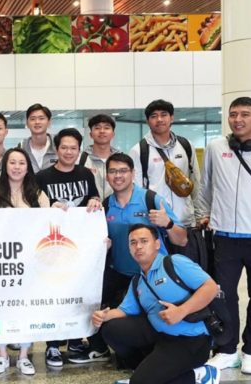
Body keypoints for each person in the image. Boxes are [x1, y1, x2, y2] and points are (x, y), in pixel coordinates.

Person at [79, 153, 188, 365]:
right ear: (107, 176)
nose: (118, 176)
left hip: (153, 277)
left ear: (133, 173)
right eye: (112, 171)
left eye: (123, 171)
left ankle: (158, 355)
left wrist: (167, 223)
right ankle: (120, 355)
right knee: (107, 321)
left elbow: (182, 239)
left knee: (158, 322)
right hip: (120, 276)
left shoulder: (151, 200)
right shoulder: (105, 205)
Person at [93, 224, 221, 384]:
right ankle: (143, 370)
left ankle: (199, 376)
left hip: (190, 340)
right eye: (133, 243)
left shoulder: (175, 263)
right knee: (111, 329)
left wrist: (181, 311)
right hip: (161, 335)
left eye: (144, 241)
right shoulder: (138, 280)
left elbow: (211, 287)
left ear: (157, 244)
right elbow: (124, 310)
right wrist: (104, 316)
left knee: (139, 383)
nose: (138, 246)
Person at [199, 96, 251, 375]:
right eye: (233, 114)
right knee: (223, 296)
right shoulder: (216, 147)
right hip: (224, 236)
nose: (238, 119)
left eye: (245, 114)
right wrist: (203, 214)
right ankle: (226, 350)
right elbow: (205, 185)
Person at [36, 127, 102, 366]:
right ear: (56, 149)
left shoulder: (86, 174)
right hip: (52, 245)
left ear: (79, 150)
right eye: (64, 147)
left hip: (80, 245)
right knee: (54, 292)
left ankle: (75, 340)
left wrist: (94, 200)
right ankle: (53, 345)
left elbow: (94, 199)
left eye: (73, 148)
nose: (68, 152)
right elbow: (35, 210)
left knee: (77, 292)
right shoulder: (42, 177)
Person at [0, 148, 49, 376]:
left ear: (28, 167)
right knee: (1, 307)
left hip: (30, 263)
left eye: (21, 163)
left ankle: (23, 356)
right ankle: (2, 354)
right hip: (2, 262)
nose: (17, 167)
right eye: (12, 162)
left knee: (27, 307)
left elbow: (48, 224)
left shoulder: (38, 195)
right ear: (5, 166)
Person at [129, 99, 201, 231]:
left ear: (171, 118)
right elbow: (136, 189)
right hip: (156, 222)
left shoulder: (185, 145)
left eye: (164, 115)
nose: (159, 119)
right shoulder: (139, 150)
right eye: (154, 116)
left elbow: (195, 180)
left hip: (185, 220)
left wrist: (199, 215)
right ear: (147, 121)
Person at [80, 114, 119, 198]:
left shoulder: (121, 159)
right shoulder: (81, 159)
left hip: (116, 205)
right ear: (90, 134)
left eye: (106, 128)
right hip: (89, 205)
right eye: (97, 128)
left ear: (113, 134)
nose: (102, 131)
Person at [21, 103, 57, 173]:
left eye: (41, 118)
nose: (37, 122)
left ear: (49, 122)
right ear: (27, 123)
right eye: (33, 119)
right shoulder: (22, 148)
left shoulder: (58, 145)